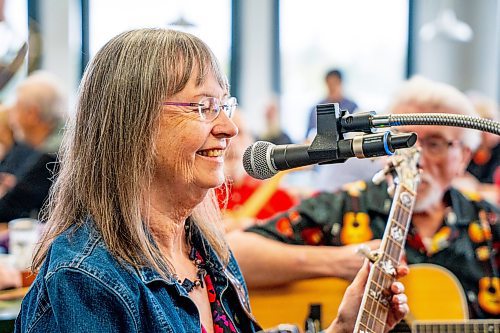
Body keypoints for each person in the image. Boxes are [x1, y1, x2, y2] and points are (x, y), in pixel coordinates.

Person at [16, 29, 408, 333]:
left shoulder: (205, 249)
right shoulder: (83, 280)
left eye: (223, 105)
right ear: (132, 126)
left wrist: (342, 326)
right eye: (203, 107)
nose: (229, 127)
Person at [227, 76, 499, 319]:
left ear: (464, 156)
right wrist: (337, 263)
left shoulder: (490, 225)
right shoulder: (344, 207)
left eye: (435, 144)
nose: (416, 157)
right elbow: (232, 255)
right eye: (403, 140)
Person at [0, 71, 66, 222]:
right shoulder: (60, 142)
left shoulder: (52, 155)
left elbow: (6, 208)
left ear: (32, 114)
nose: (11, 118)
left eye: (15, 108)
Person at [217, 112, 297, 232]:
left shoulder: (279, 196)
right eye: (222, 135)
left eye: (239, 134)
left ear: (252, 141)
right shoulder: (199, 199)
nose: (231, 142)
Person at [305, 69, 358, 139]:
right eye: (329, 84)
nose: (332, 88)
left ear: (341, 83)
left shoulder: (352, 107)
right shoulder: (316, 109)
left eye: (334, 84)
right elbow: (308, 135)